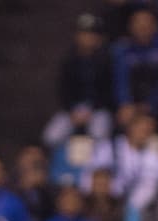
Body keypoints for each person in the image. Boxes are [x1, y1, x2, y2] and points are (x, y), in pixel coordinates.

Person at [43, 12, 114, 147]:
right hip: (73, 110)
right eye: (84, 33)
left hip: (98, 109)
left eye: (92, 34)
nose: (88, 38)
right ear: (77, 36)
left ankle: (97, 161)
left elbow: (109, 92)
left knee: (100, 135)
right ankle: (63, 160)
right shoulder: (69, 60)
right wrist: (72, 111)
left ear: (99, 38)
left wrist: (91, 110)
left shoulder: (106, 60)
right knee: (51, 136)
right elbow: (63, 91)